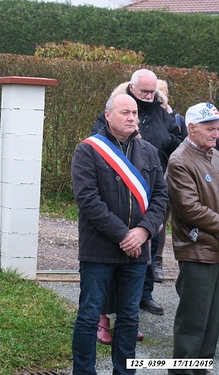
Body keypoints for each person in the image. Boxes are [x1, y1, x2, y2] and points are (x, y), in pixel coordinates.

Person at [72, 94, 167, 374]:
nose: (132, 118)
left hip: (137, 253)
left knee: (129, 318)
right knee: (89, 316)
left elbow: (161, 197)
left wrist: (143, 231)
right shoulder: (88, 150)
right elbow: (88, 199)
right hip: (98, 250)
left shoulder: (149, 151)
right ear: (108, 115)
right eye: (125, 112)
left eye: (135, 113)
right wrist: (124, 235)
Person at [91, 69, 183, 316]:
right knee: (119, 246)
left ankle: (144, 295)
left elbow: (177, 140)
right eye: (144, 91)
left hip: (154, 184)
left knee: (150, 243)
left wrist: (161, 144)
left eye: (152, 92)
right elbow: (97, 145)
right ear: (131, 87)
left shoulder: (162, 112)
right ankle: (108, 308)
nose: (149, 96)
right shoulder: (116, 107)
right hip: (118, 191)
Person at [166, 102, 219, 374]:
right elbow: (190, 209)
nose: (216, 133)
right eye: (210, 128)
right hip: (197, 250)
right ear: (192, 128)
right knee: (193, 324)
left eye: (217, 128)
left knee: (212, 323)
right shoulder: (179, 160)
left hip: (215, 249)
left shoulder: (214, 156)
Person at [152, 79, 188, 283]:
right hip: (149, 176)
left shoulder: (177, 119)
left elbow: (182, 148)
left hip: (167, 177)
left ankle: (157, 262)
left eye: (162, 92)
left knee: (162, 222)